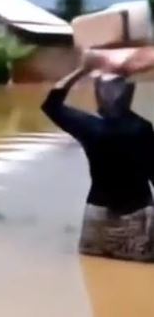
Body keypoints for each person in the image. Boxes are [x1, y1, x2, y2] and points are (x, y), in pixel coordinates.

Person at [42, 65, 154, 261]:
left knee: (95, 274)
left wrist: (81, 70)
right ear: (129, 94)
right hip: (137, 218)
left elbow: (51, 104)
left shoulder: (90, 127)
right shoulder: (142, 128)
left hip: (98, 219)